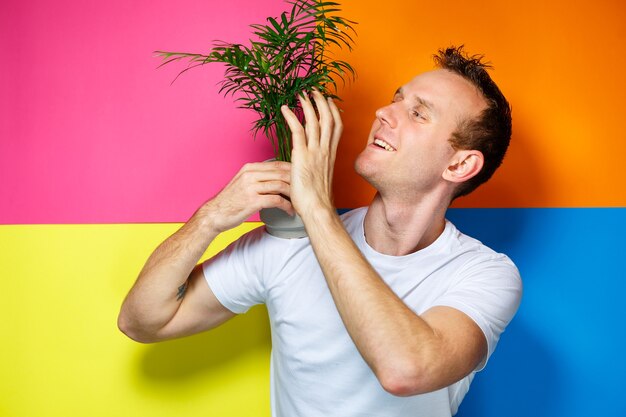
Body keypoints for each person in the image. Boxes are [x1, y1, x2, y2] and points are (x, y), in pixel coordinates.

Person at [118, 46, 522, 417]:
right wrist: (209, 217)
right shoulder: (287, 246)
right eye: (397, 98)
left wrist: (316, 206)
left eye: (418, 113)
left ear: (459, 166)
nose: (384, 111)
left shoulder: (484, 273)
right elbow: (142, 322)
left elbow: (405, 370)